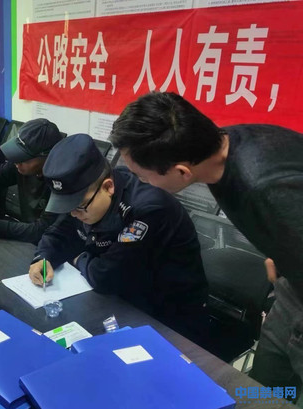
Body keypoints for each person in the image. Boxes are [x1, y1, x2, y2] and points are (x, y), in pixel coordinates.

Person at [109, 91, 303, 406]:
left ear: (181, 172)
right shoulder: (226, 144)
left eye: (142, 177)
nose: (140, 184)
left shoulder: (262, 185)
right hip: (290, 290)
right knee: (263, 392)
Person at [28, 133, 210, 345]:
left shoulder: (148, 210)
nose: (73, 214)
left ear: (108, 187)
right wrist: (43, 257)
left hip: (168, 319)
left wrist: (79, 258)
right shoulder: (86, 196)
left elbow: (105, 276)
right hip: (120, 301)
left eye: (78, 207)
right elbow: (58, 232)